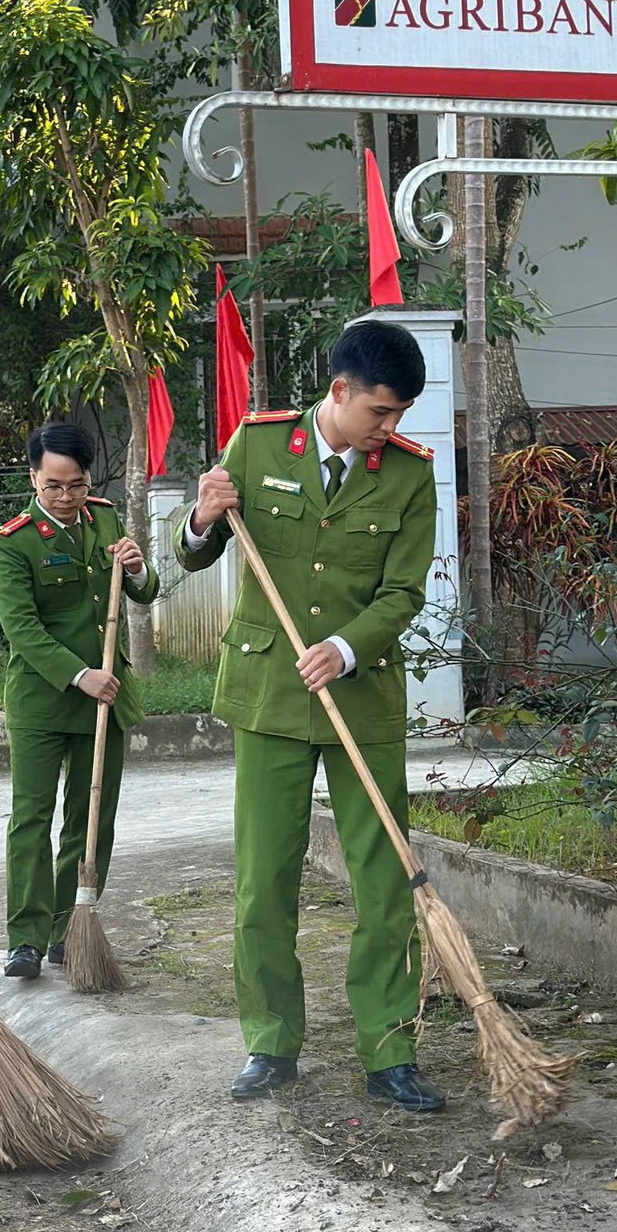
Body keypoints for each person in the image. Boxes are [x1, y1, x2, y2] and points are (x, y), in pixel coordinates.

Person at [179, 318, 442, 1110]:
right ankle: (269, 1041)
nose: (388, 431)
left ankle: (389, 1050)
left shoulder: (408, 473)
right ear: (340, 391)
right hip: (271, 695)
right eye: (380, 414)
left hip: (361, 695)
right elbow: (197, 551)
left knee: (385, 880)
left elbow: (402, 592)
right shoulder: (257, 446)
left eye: (399, 418)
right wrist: (199, 514)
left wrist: (346, 646)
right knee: (264, 880)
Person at [0, 422, 160, 979]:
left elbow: (142, 588)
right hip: (44, 699)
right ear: (34, 477)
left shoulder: (106, 517)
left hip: (106, 698)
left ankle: (72, 928)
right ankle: (26, 938)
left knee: (91, 819)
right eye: (53, 486)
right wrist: (78, 674)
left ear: (90, 480)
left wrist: (136, 568)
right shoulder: (11, 540)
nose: (65, 498)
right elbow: (21, 626)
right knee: (32, 820)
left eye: (77, 485)